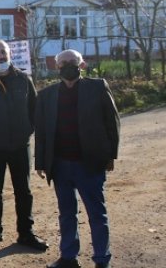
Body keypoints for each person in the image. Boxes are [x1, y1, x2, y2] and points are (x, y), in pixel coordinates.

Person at [35, 49, 120, 268]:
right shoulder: (47, 95)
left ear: (81, 64)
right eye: (63, 63)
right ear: (57, 67)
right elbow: (42, 130)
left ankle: (102, 259)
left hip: (89, 163)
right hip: (60, 164)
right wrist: (41, 162)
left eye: (72, 61)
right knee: (66, 213)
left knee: (96, 213)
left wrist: (111, 155)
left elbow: (112, 122)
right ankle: (68, 257)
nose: (68, 66)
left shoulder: (97, 87)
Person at [0, 40, 48, 251]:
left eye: (3, 52)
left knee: (23, 191)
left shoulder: (23, 79)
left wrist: (26, 131)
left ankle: (26, 233)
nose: (0, 56)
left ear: (9, 54)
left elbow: (35, 110)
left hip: (19, 146)